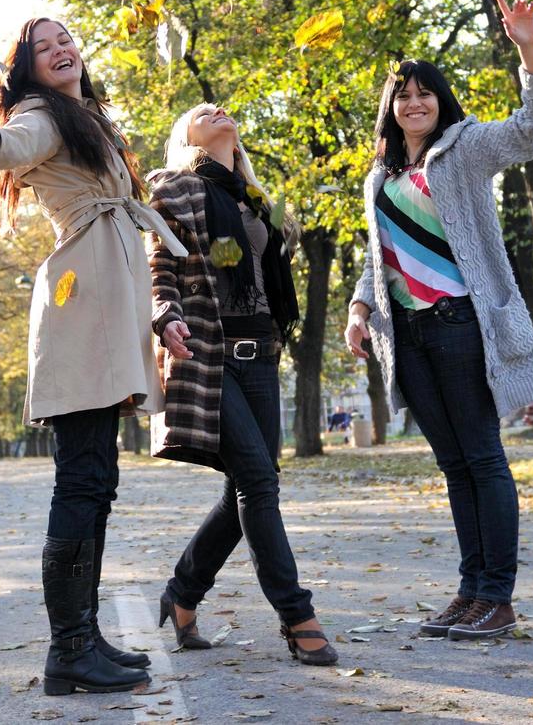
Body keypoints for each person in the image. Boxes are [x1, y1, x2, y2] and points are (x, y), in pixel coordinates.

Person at [0, 16, 186, 697]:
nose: (60, 49)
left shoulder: (89, 119)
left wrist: (157, 314)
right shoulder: (41, 114)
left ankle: (82, 638)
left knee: (97, 477)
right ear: (27, 70)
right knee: (83, 478)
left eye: (64, 40)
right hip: (83, 300)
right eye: (43, 47)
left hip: (107, 291)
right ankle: (69, 649)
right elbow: (7, 145)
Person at [345, 0, 533, 641]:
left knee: (484, 458)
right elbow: (381, 254)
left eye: (425, 94)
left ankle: (498, 597)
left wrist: (528, 48)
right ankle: (471, 592)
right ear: (392, 108)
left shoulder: (466, 147)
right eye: (403, 95)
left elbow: (531, 127)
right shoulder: (382, 174)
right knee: (454, 465)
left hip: (461, 326)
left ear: (440, 103)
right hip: (405, 335)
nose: (414, 103)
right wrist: (358, 307)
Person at [146, 103, 338, 667]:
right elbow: (161, 266)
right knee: (257, 480)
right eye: (204, 111)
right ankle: (297, 616)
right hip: (210, 353)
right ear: (186, 135)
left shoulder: (254, 198)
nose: (219, 110)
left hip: (261, 354)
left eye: (224, 109)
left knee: (247, 488)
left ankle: (182, 594)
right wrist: (165, 316)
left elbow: (262, 272)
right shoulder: (175, 190)